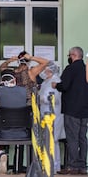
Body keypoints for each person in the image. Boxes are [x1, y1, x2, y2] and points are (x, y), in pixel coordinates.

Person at [54, 47, 88, 175]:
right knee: (82, 138)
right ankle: (83, 167)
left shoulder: (70, 69)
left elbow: (64, 85)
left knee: (72, 138)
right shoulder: (86, 69)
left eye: (69, 55)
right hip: (85, 110)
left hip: (72, 109)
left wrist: (56, 85)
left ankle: (73, 166)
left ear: (73, 55)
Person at [0, 68, 28, 175]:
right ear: (14, 79)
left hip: (3, 133)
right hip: (22, 133)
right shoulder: (24, 91)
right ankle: (16, 170)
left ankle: (1, 153)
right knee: (18, 141)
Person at [38, 61, 65, 173]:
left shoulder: (56, 81)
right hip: (45, 114)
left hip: (54, 115)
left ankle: (55, 166)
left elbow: (55, 98)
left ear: (51, 70)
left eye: (46, 70)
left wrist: (43, 98)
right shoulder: (46, 81)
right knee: (46, 140)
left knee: (53, 140)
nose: (44, 72)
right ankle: (48, 164)